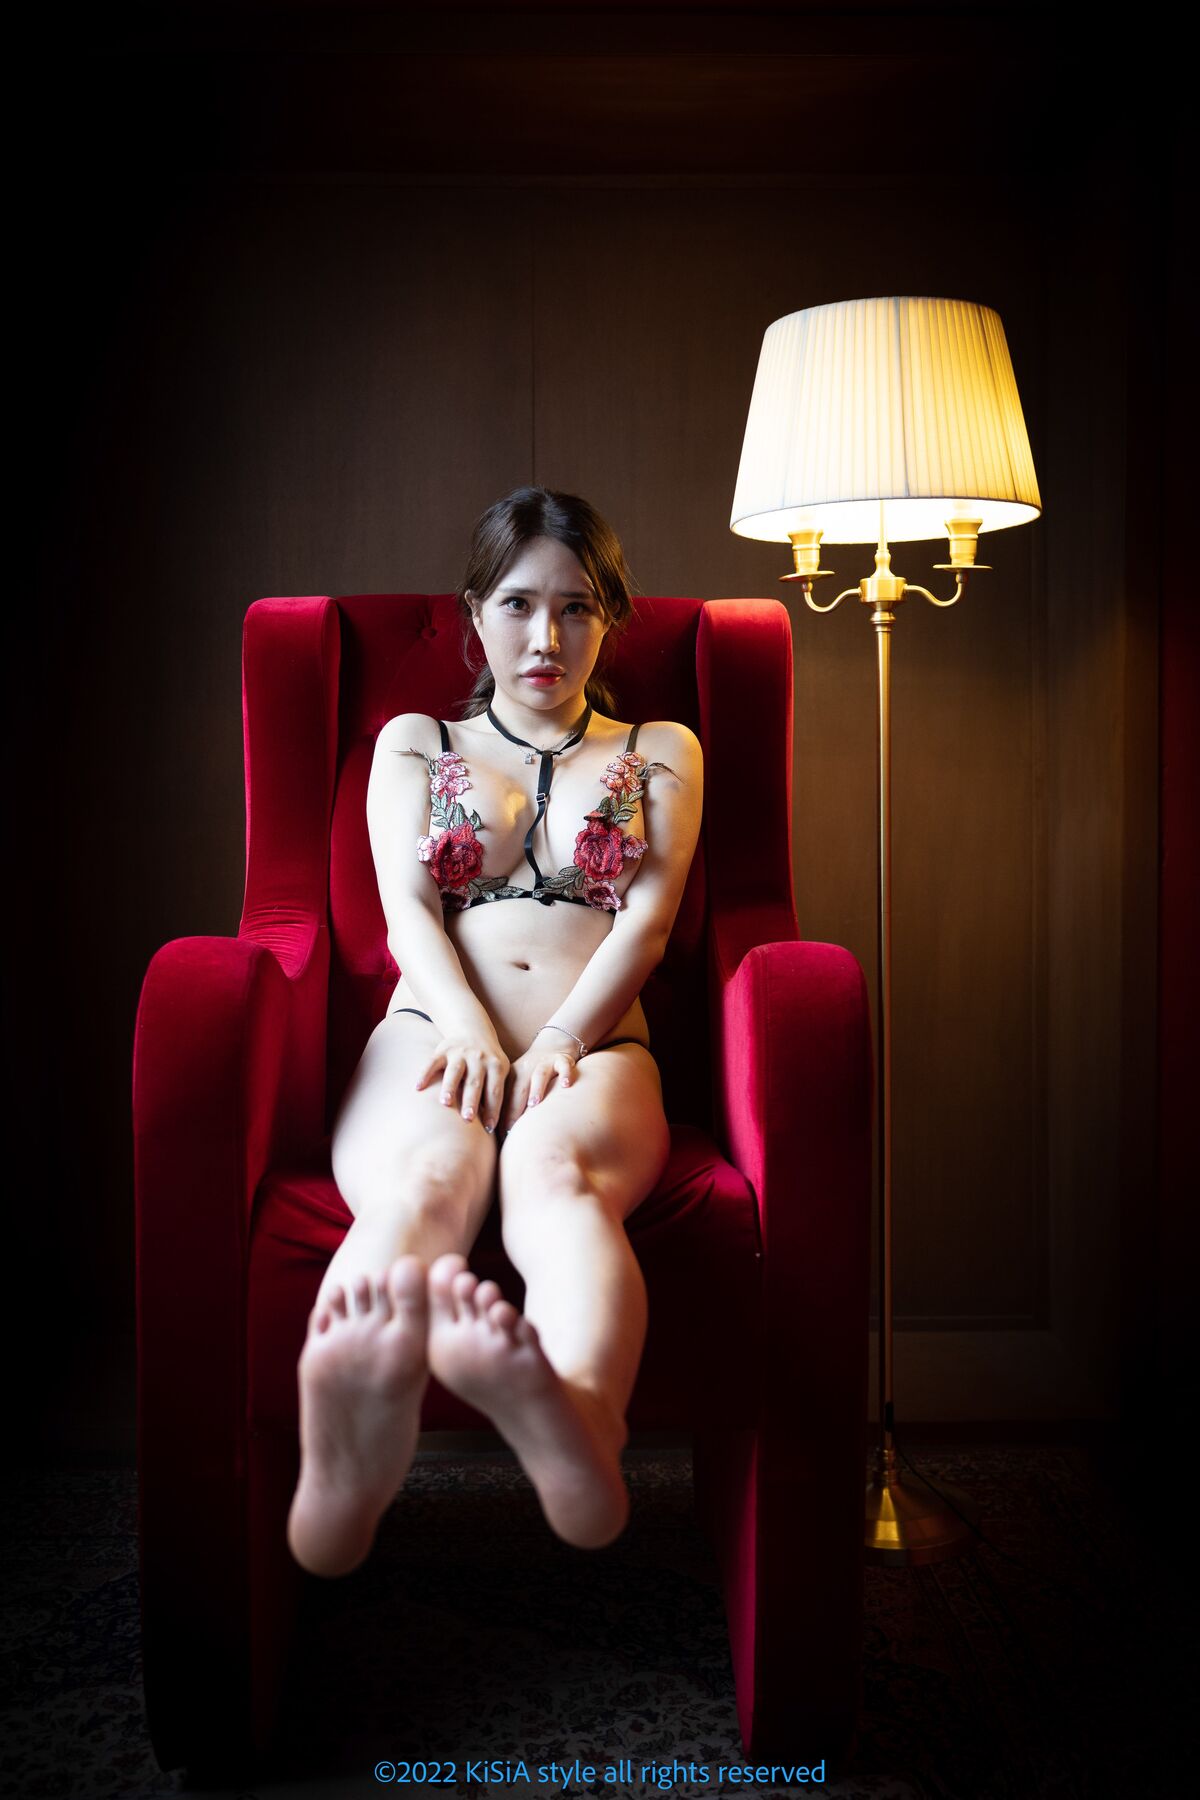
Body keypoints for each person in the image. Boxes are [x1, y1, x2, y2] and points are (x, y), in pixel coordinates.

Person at [286, 486, 704, 1577]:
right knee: (427, 1180)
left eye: (576, 607)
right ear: (475, 611)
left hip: (597, 1049)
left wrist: (561, 1038)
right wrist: (468, 1024)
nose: (546, 637)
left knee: (557, 1179)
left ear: (609, 617)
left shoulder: (661, 746)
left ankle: (580, 1422)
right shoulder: (416, 743)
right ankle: (348, 1442)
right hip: (432, 1026)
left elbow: (647, 923)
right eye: (519, 604)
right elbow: (405, 909)